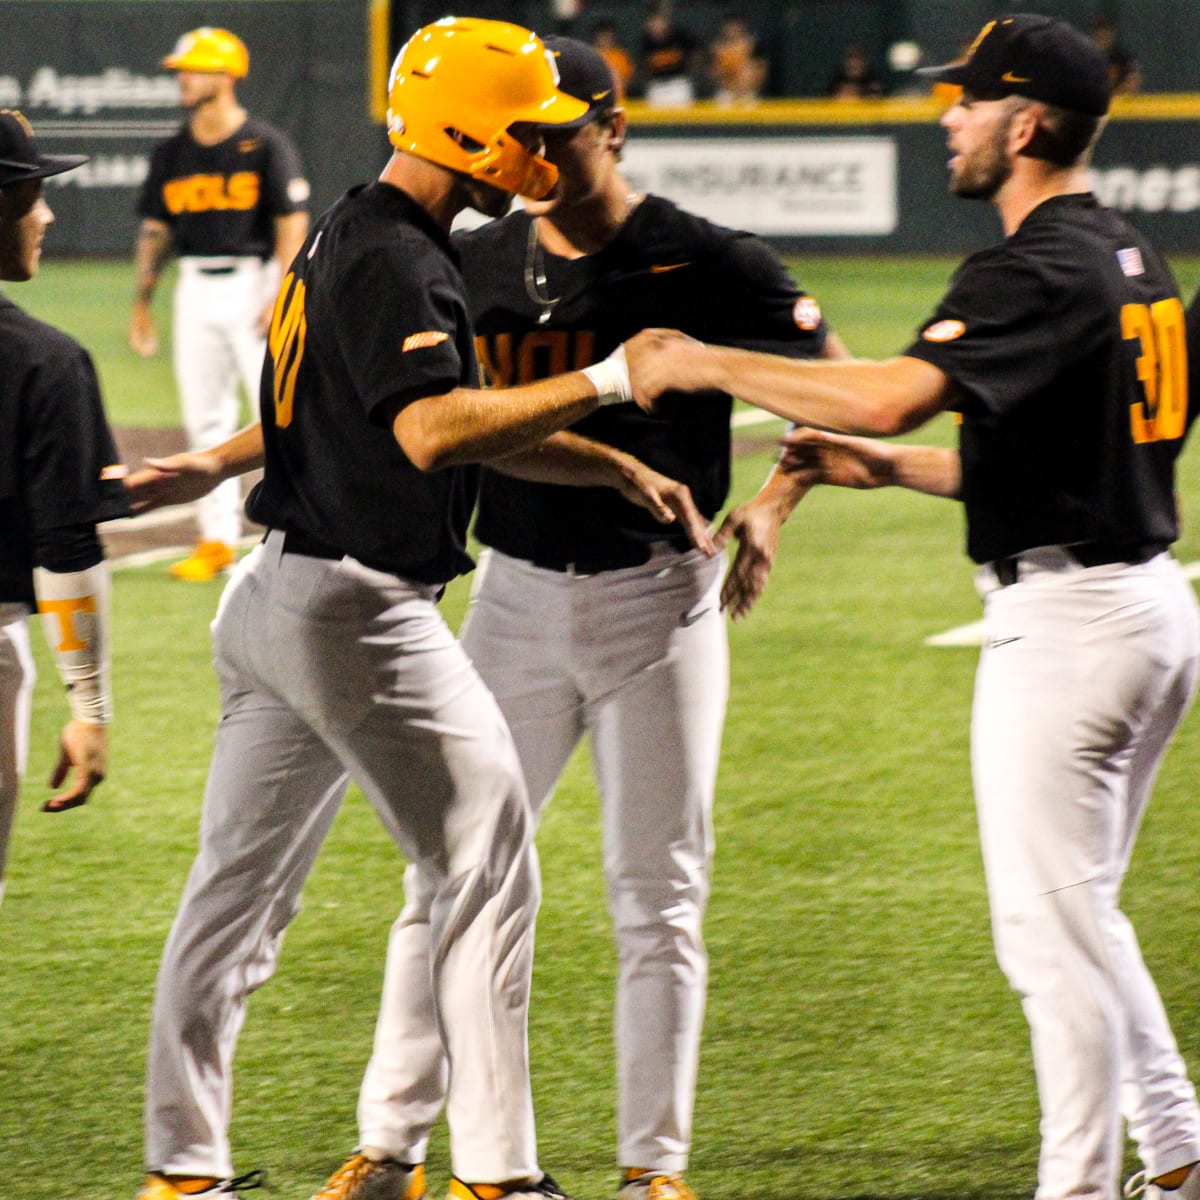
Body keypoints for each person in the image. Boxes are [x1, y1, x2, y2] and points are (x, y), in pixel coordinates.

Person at [124, 15, 707, 1200]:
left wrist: (609, 462)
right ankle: (502, 1174)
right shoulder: (403, 255)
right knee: (490, 869)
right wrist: (605, 378)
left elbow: (379, 416)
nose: (543, 150)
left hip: (272, 604)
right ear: (469, 127)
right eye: (528, 128)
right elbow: (434, 430)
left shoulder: (354, 220)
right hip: (358, 613)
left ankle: (182, 1173)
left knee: (232, 902)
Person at [625, 15, 1200, 1200]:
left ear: (1026, 123)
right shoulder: (1129, 255)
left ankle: (1081, 1187)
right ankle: (1180, 1148)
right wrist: (891, 474)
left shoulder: (1029, 261)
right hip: (1141, 607)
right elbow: (1088, 466)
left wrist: (705, 361)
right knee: (1080, 913)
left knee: (1048, 939)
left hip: (1073, 636)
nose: (947, 115)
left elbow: (889, 396)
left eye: (970, 99)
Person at [335, 35, 846, 1200]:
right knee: (447, 873)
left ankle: (651, 1170)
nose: (537, 153)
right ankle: (390, 1145)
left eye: (560, 130)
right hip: (508, 597)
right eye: (524, 132)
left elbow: (833, 390)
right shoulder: (474, 257)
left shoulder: (702, 257)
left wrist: (775, 499)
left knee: (656, 892)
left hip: (659, 602)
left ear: (614, 129)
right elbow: (411, 403)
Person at [0, 110, 128, 910]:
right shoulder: (46, 364)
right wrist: (89, 705)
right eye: (30, 192)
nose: (46, 213)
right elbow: (67, 552)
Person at [129, 26, 309, 582]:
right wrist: (142, 302)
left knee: (278, 411)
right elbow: (156, 230)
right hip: (195, 289)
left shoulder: (265, 143)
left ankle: (297, 527)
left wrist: (283, 291)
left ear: (226, 74)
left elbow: (291, 223)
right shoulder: (173, 152)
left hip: (254, 283)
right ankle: (216, 539)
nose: (182, 77)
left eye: (192, 68)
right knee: (204, 417)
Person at [640, 2, 700, 107]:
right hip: (657, 87)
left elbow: (698, 51)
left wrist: (691, 72)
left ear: (666, 22)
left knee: (684, 121)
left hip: (678, 85)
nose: (656, 25)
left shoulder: (679, 36)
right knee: (654, 121)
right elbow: (643, 67)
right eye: (652, 22)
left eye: (659, 21)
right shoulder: (646, 42)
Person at [708, 16, 767, 106]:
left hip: (748, 96)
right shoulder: (719, 49)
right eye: (729, 35)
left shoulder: (753, 48)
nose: (733, 33)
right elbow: (713, 75)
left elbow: (761, 75)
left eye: (737, 33)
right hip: (725, 96)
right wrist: (728, 68)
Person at [590, 21, 635, 98]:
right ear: (596, 37)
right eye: (602, 36)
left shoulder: (620, 55)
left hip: (619, 99)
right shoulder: (590, 54)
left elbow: (628, 79)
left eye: (607, 36)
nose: (605, 39)